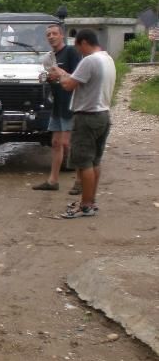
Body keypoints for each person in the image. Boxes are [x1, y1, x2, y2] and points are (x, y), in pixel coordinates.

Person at [48, 29, 116, 218]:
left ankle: (85, 206)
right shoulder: (107, 59)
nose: (79, 52)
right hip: (103, 115)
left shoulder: (90, 60)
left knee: (84, 163)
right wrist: (67, 75)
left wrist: (60, 74)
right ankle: (90, 201)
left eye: (79, 48)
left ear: (84, 42)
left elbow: (68, 85)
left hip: (87, 117)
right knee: (94, 161)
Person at [32, 23, 81, 192]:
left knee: (68, 144)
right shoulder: (50, 56)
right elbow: (55, 78)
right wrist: (48, 78)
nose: (51, 37)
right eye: (48, 35)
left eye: (54, 33)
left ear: (62, 35)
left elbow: (78, 78)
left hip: (71, 104)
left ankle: (80, 181)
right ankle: (53, 181)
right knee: (55, 143)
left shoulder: (71, 52)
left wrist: (59, 74)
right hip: (58, 105)